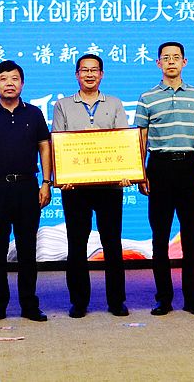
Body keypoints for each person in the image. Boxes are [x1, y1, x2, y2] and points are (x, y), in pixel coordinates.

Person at [0, 60, 53, 324]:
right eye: (3, 79)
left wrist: (46, 182)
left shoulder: (34, 114)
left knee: (28, 250)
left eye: (14, 78)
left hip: (28, 187)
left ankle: (29, 305)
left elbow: (45, 147)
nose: (9, 83)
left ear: (22, 83)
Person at [52, 54, 131, 318]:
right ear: (77, 75)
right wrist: (62, 176)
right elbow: (58, 142)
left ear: (101, 74)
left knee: (112, 243)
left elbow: (123, 141)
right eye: (84, 70)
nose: (89, 74)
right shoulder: (63, 105)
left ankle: (116, 301)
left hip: (110, 187)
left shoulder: (115, 103)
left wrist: (126, 172)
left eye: (94, 70)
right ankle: (79, 302)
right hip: (76, 187)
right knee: (77, 244)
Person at [134, 42, 194, 317]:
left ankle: (192, 299)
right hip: (159, 168)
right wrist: (140, 172)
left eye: (176, 57)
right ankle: (163, 299)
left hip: (189, 167)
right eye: (165, 58)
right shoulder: (147, 97)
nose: (171, 62)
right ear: (158, 63)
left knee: (191, 238)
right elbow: (141, 137)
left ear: (184, 62)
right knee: (160, 238)